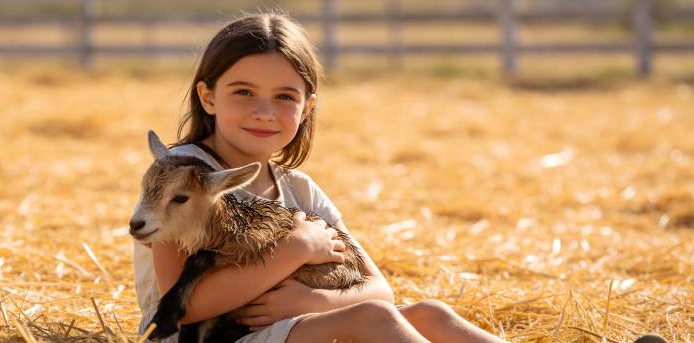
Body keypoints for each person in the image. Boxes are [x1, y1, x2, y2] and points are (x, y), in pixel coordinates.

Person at [133, 12, 505, 343]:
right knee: (372, 320)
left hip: (296, 324)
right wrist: (296, 250)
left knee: (430, 314)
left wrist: (315, 300)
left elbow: (378, 289)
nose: (264, 112)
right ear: (208, 97)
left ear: (307, 108)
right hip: (205, 336)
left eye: (284, 97)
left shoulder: (298, 188)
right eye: (243, 92)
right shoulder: (181, 176)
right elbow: (182, 306)